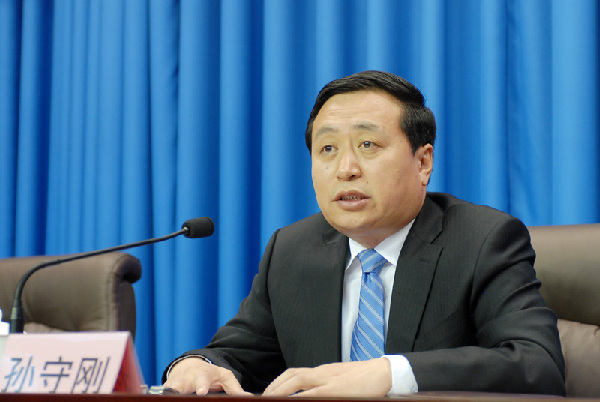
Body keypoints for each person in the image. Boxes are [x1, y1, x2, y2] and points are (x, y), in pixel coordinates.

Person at [162, 70, 565, 396]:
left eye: (368, 144)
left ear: (423, 163)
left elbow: (536, 365)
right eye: (328, 149)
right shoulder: (292, 249)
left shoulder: (481, 240)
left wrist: (389, 373)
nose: (346, 169)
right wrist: (198, 364)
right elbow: (238, 354)